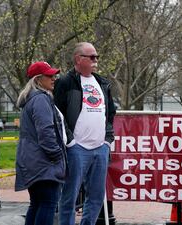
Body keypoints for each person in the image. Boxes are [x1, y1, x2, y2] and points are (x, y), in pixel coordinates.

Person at [54, 42, 116, 225]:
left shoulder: (103, 83)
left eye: (97, 57)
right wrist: (70, 142)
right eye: (92, 57)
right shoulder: (65, 82)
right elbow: (57, 114)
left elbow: (110, 113)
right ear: (78, 59)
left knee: (96, 197)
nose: (96, 60)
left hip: (100, 148)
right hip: (76, 148)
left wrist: (107, 141)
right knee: (69, 197)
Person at [15, 61, 66, 225]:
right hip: (44, 162)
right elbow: (45, 132)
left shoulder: (31, 99)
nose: (54, 78)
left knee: (37, 203)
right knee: (48, 203)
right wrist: (57, 155)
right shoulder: (41, 100)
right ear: (38, 80)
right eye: (49, 75)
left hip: (33, 161)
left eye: (54, 75)